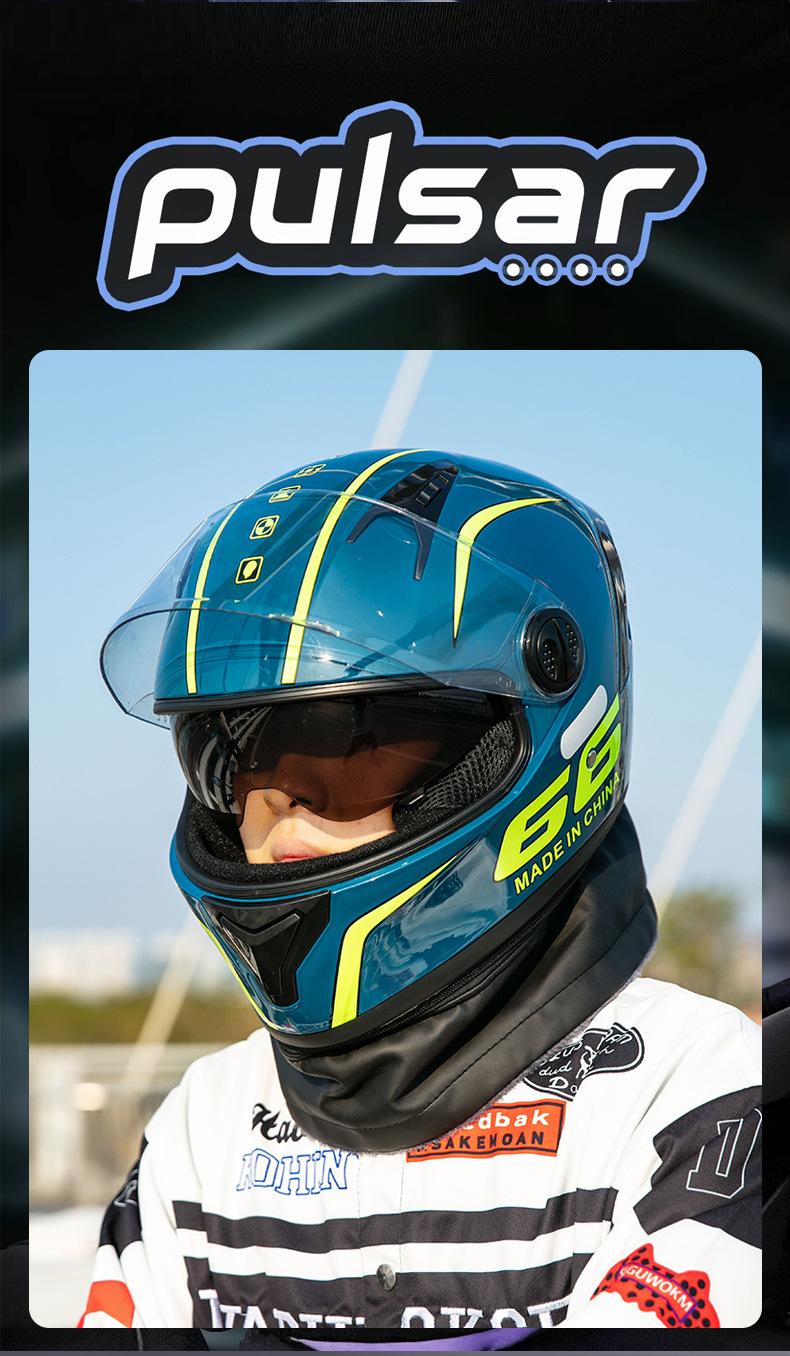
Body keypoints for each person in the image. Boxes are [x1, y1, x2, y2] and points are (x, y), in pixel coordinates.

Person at [79, 448, 760, 1344]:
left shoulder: (689, 1086)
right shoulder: (205, 1125)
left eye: (348, 736)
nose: (277, 812)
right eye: (235, 756)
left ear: (520, 733)